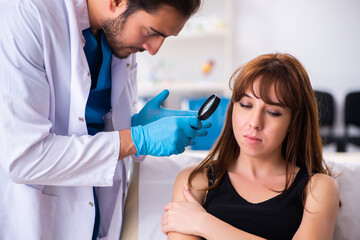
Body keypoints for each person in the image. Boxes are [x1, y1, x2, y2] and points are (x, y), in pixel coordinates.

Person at [0, 0, 209, 239]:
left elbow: (95, 123)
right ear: (117, 2)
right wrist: (135, 139)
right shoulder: (27, 14)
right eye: (152, 32)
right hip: (35, 219)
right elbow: (23, 157)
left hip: (97, 213)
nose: (153, 49)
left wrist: (134, 126)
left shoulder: (116, 37)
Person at [162, 53, 340, 240]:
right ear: (233, 108)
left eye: (273, 112)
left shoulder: (319, 188)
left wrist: (203, 223)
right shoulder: (195, 180)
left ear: (293, 122)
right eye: (246, 105)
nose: (255, 123)